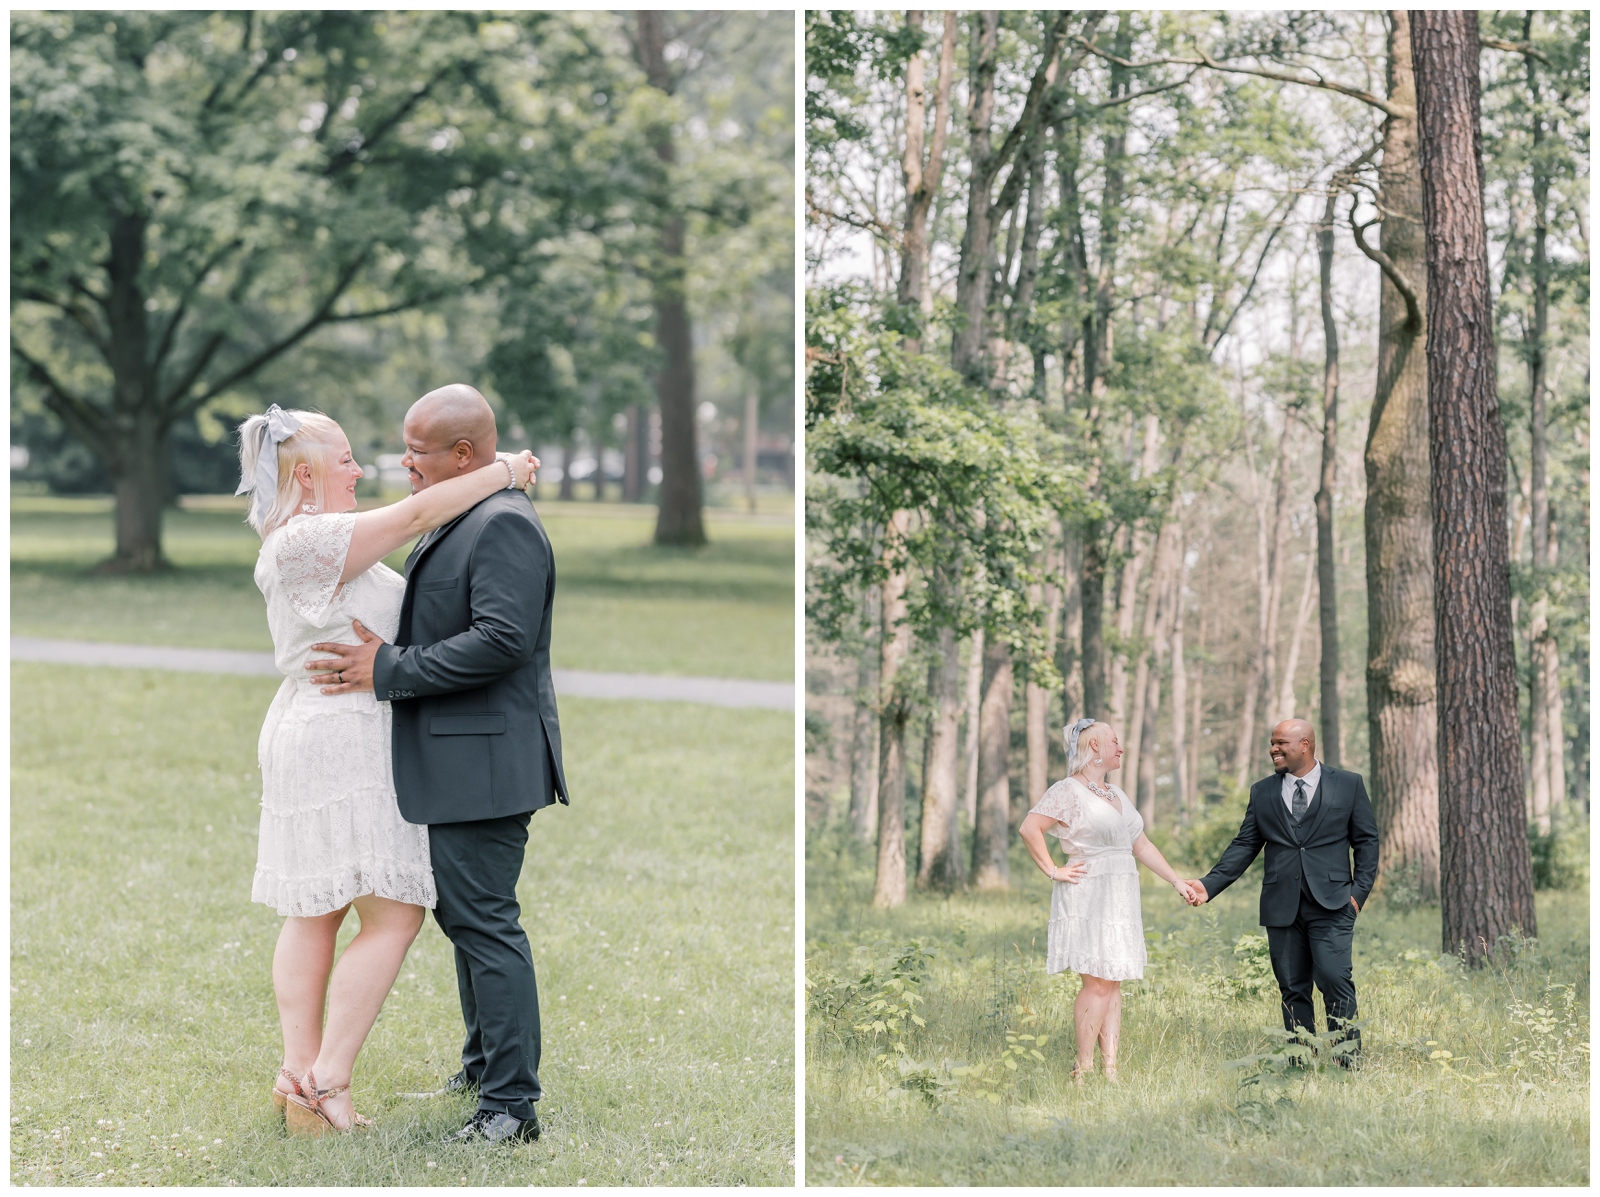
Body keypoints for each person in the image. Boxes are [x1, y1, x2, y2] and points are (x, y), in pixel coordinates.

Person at [240, 403, 537, 1136]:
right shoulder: (309, 539)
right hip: (344, 734)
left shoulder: (316, 541)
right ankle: (327, 1079)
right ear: (305, 474)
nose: (360, 468)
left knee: (314, 909)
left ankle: (297, 1077)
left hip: (324, 725)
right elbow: (416, 515)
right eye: (345, 458)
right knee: (394, 912)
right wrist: (507, 471)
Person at [307, 384, 568, 1146]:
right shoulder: (464, 511)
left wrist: (389, 667)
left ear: (463, 452)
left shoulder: (503, 523)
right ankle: (483, 1069)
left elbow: (502, 640)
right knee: (465, 918)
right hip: (461, 760)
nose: (404, 459)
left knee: (486, 923)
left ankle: (511, 1107)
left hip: (488, 762)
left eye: (417, 448)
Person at [1181, 718, 1379, 1065]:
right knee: (1292, 985)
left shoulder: (1348, 785)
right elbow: (1245, 844)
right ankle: (1299, 1061)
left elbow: (1366, 841)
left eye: (1280, 743)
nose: (1273, 749)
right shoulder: (1263, 791)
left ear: (1305, 744)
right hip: (1281, 905)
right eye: (1271, 743)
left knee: (1334, 979)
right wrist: (1208, 885)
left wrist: (1357, 895)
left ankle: (1347, 1062)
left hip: (1333, 903)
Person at [1018, 718, 1197, 1083]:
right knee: (1097, 983)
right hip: (1088, 892)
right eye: (1115, 741)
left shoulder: (1117, 795)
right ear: (1095, 746)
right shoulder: (1067, 790)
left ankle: (1110, 1070)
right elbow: (1029, 827)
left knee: (1113, 981)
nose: (1121, 747)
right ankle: (1082, 1069)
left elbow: (1140, 844)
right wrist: (1054, 870)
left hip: (1120, 894)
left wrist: (1176, 880)